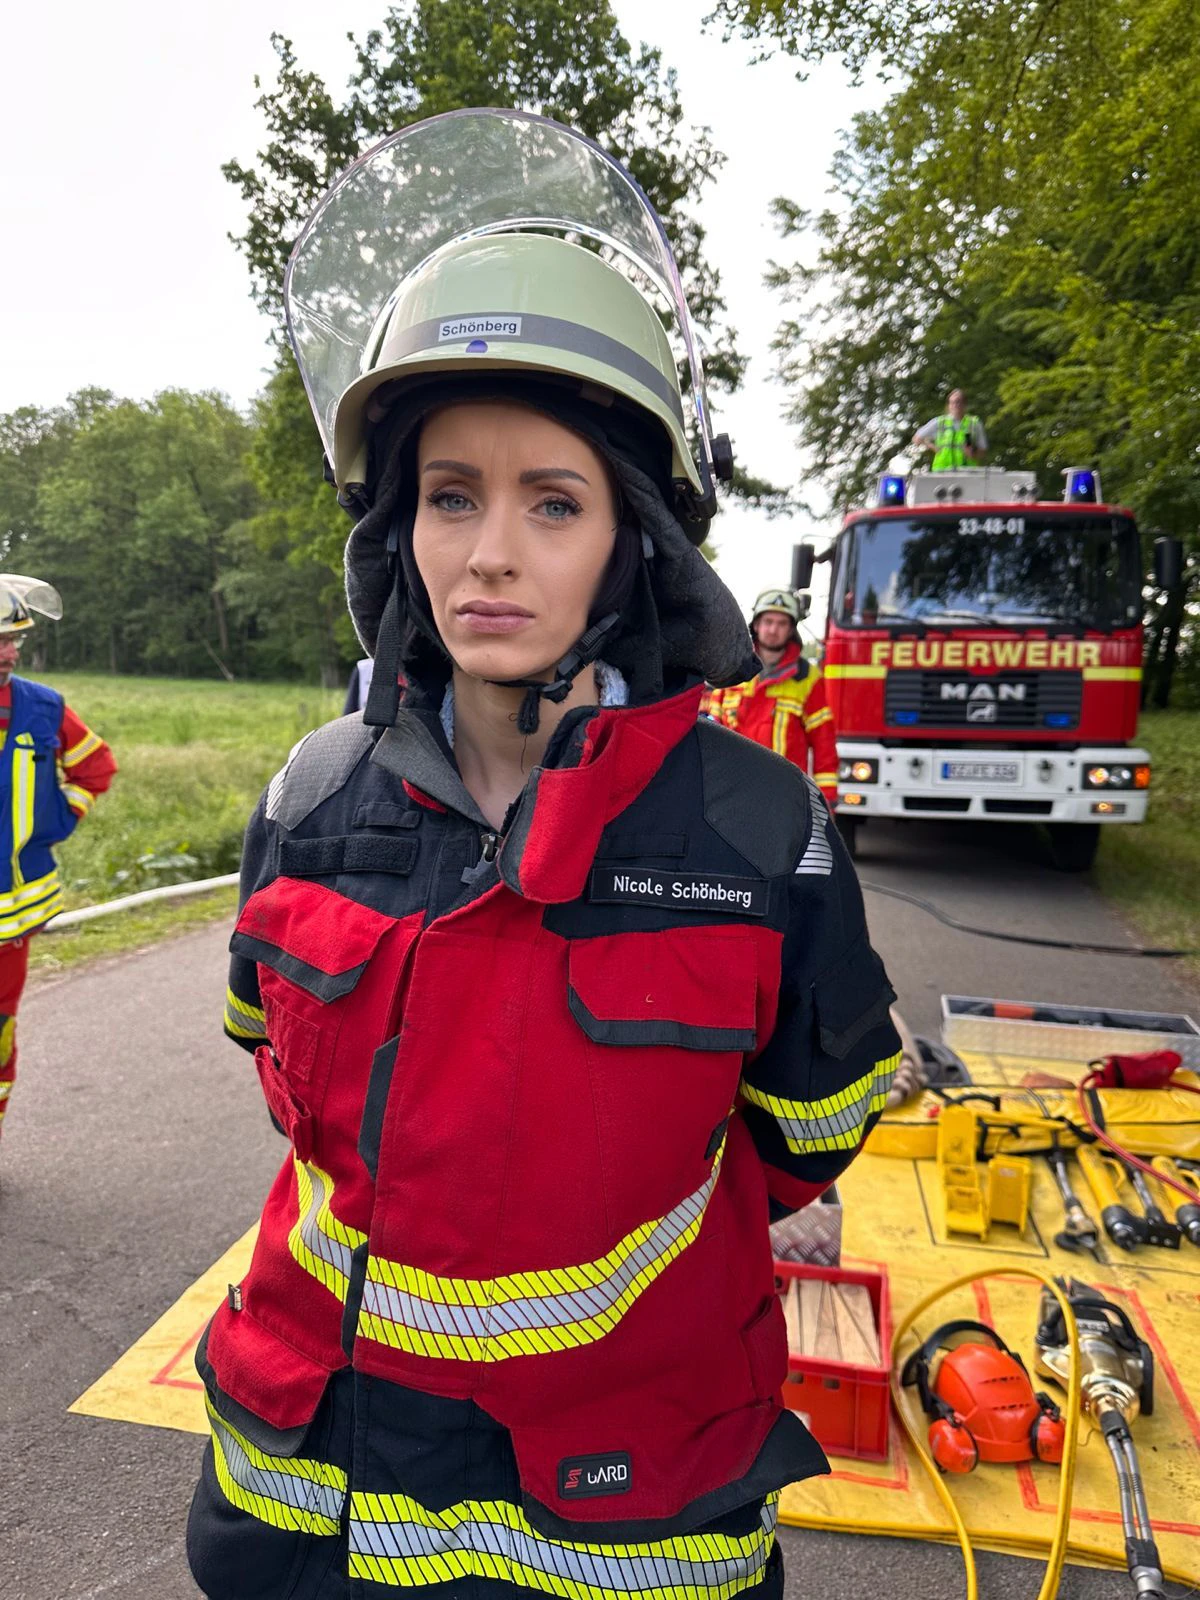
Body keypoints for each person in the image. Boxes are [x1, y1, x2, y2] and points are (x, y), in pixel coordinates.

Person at [190, 109, 900, 1600]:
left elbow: (808, 1134)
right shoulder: (313, 798)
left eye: (551, 502)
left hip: (621, 1529)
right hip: (300, 1501)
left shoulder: (763, 841)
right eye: (450, 495)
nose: (487, 553)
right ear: (400, 527)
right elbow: (273, 1066)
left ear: (634, 542)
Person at [0, 576, 116, 1146]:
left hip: (14, 916)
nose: (10, 651)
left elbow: (96, 769)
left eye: (14, 639)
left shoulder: (41, 707)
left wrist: (57, 818)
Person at [707, 589, 839, 808]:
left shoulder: (807, 679)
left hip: (786, 798)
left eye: (781, 623)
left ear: (791, 630)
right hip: (733, 794)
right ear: (756, 625)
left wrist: (827, 800)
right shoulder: (733, 672)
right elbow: (711, 735)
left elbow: (824, 743)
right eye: (768, 621)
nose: (773, 629)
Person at [912, 389, 988, 470]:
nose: (955, 405)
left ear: (965, 404)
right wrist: (932, 447)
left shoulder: (974, 424)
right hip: (942, 471)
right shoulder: (939, 422)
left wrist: (973, 454)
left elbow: (982, 451)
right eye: (952, 402)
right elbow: (916, 438)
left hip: (966, 472)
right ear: (948, 405)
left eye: (958, 401)